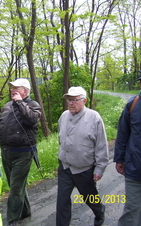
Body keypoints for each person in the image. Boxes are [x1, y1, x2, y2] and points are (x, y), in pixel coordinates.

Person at [0, 78, 42, 226]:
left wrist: (20, 102)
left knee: (15, 188)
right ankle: (25, 210)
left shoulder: (33, 105)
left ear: (26, 91)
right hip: (7, 151)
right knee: (16, 185)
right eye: (12, 87)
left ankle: (12, 220)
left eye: (17, 87)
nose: (12, 90)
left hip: (24, 152)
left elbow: (32, 120)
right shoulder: (7, 106)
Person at [56, 86, 109, 226]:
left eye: (74, 100)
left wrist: (99, 169)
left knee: (90, 198)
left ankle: (99, 212)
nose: (70, 103)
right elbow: (60, 138)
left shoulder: (94, 117)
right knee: (62, 201)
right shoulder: (64, 116)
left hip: (84, 169)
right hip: (65, 167)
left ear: (84, 100)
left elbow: (101, 145)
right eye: (69, 100)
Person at [114, 75, 141, 226]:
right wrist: (119, 159)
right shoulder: (133, 105)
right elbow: (123, 134)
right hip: (135, 168)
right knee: (131, 210)